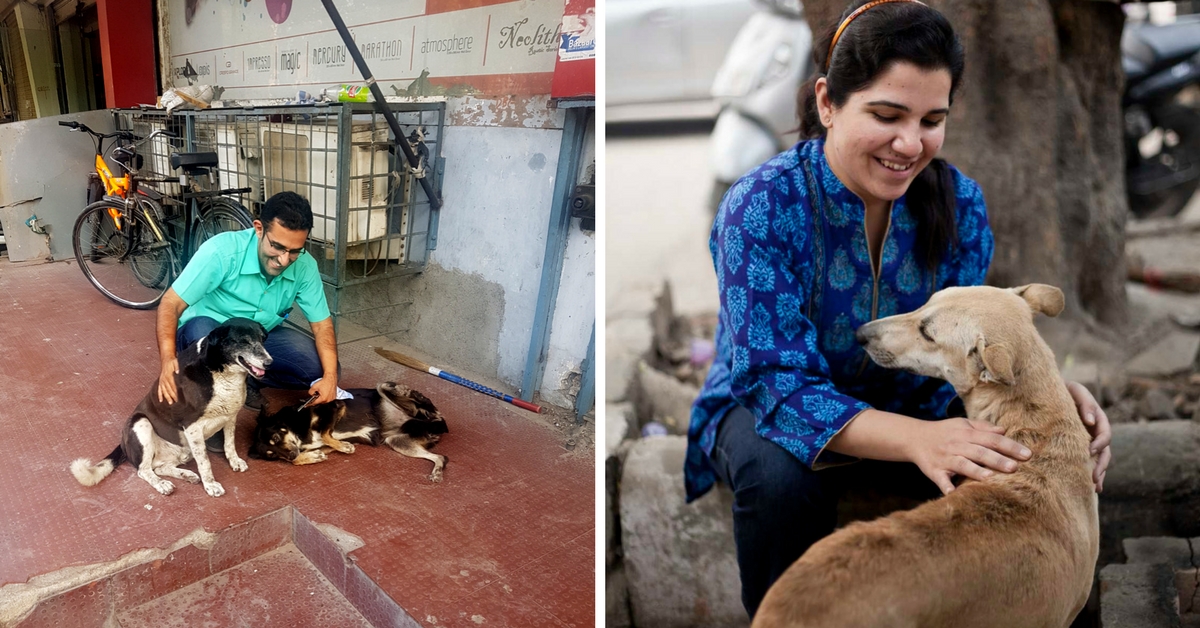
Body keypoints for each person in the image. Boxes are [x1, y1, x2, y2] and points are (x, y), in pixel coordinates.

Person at [684, 0, 1113, 618]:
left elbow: (964, 349)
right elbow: (775, 383)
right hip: (768, 408)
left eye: (932, 120)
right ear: (828, 103)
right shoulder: (761, 205)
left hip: (917, 405)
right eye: (887, 115)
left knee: (1009, 475)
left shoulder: (960, 203)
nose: (911, 144)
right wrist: (918, 441)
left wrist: (1047, 395)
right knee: (779, 478)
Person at [155, 191, 340, 449]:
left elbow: (322, 325)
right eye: (277, 246)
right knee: (201, 331)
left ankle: (246, 376)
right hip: (210, 333)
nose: (284, 260)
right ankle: (209, 406)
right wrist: (167, 360)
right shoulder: (221, 251)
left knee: (319, 369)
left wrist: (330, 377)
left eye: (294, 251)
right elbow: (170, 303)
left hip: (258, 338)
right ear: (258, 228)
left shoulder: (305, 266)